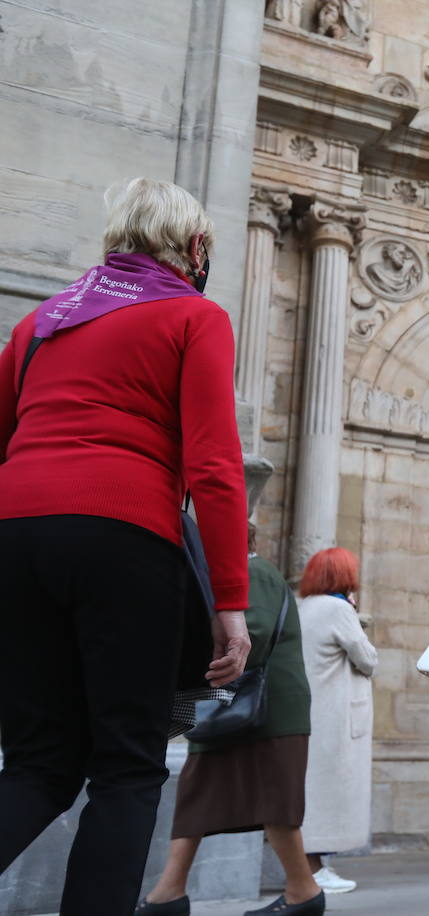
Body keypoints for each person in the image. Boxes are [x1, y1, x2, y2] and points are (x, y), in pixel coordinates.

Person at [0, 177, 250, 915]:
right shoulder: (192, 315)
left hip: (15, 536)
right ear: (194, 247)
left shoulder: (41, 322)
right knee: (128, 767)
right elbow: (213, 467)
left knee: (39, 762)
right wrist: (231, 603)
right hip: (123, 535)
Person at [138, 529, 320, 916]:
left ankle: (304, 891)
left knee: (276, 804)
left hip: (270, 711)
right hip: (229, 709)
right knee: (195, 796)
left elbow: (249, 639)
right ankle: (169, 892)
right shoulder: (232, 579)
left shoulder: (256, 573)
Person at [299, 548, 377, 894]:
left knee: (312, 790)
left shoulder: (305, 606)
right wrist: (353, 612)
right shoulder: (338, 609)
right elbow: (368, 658)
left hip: (313, 711)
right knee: (328, 794)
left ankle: (312, 867)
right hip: (336, 716)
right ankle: (315, 870)